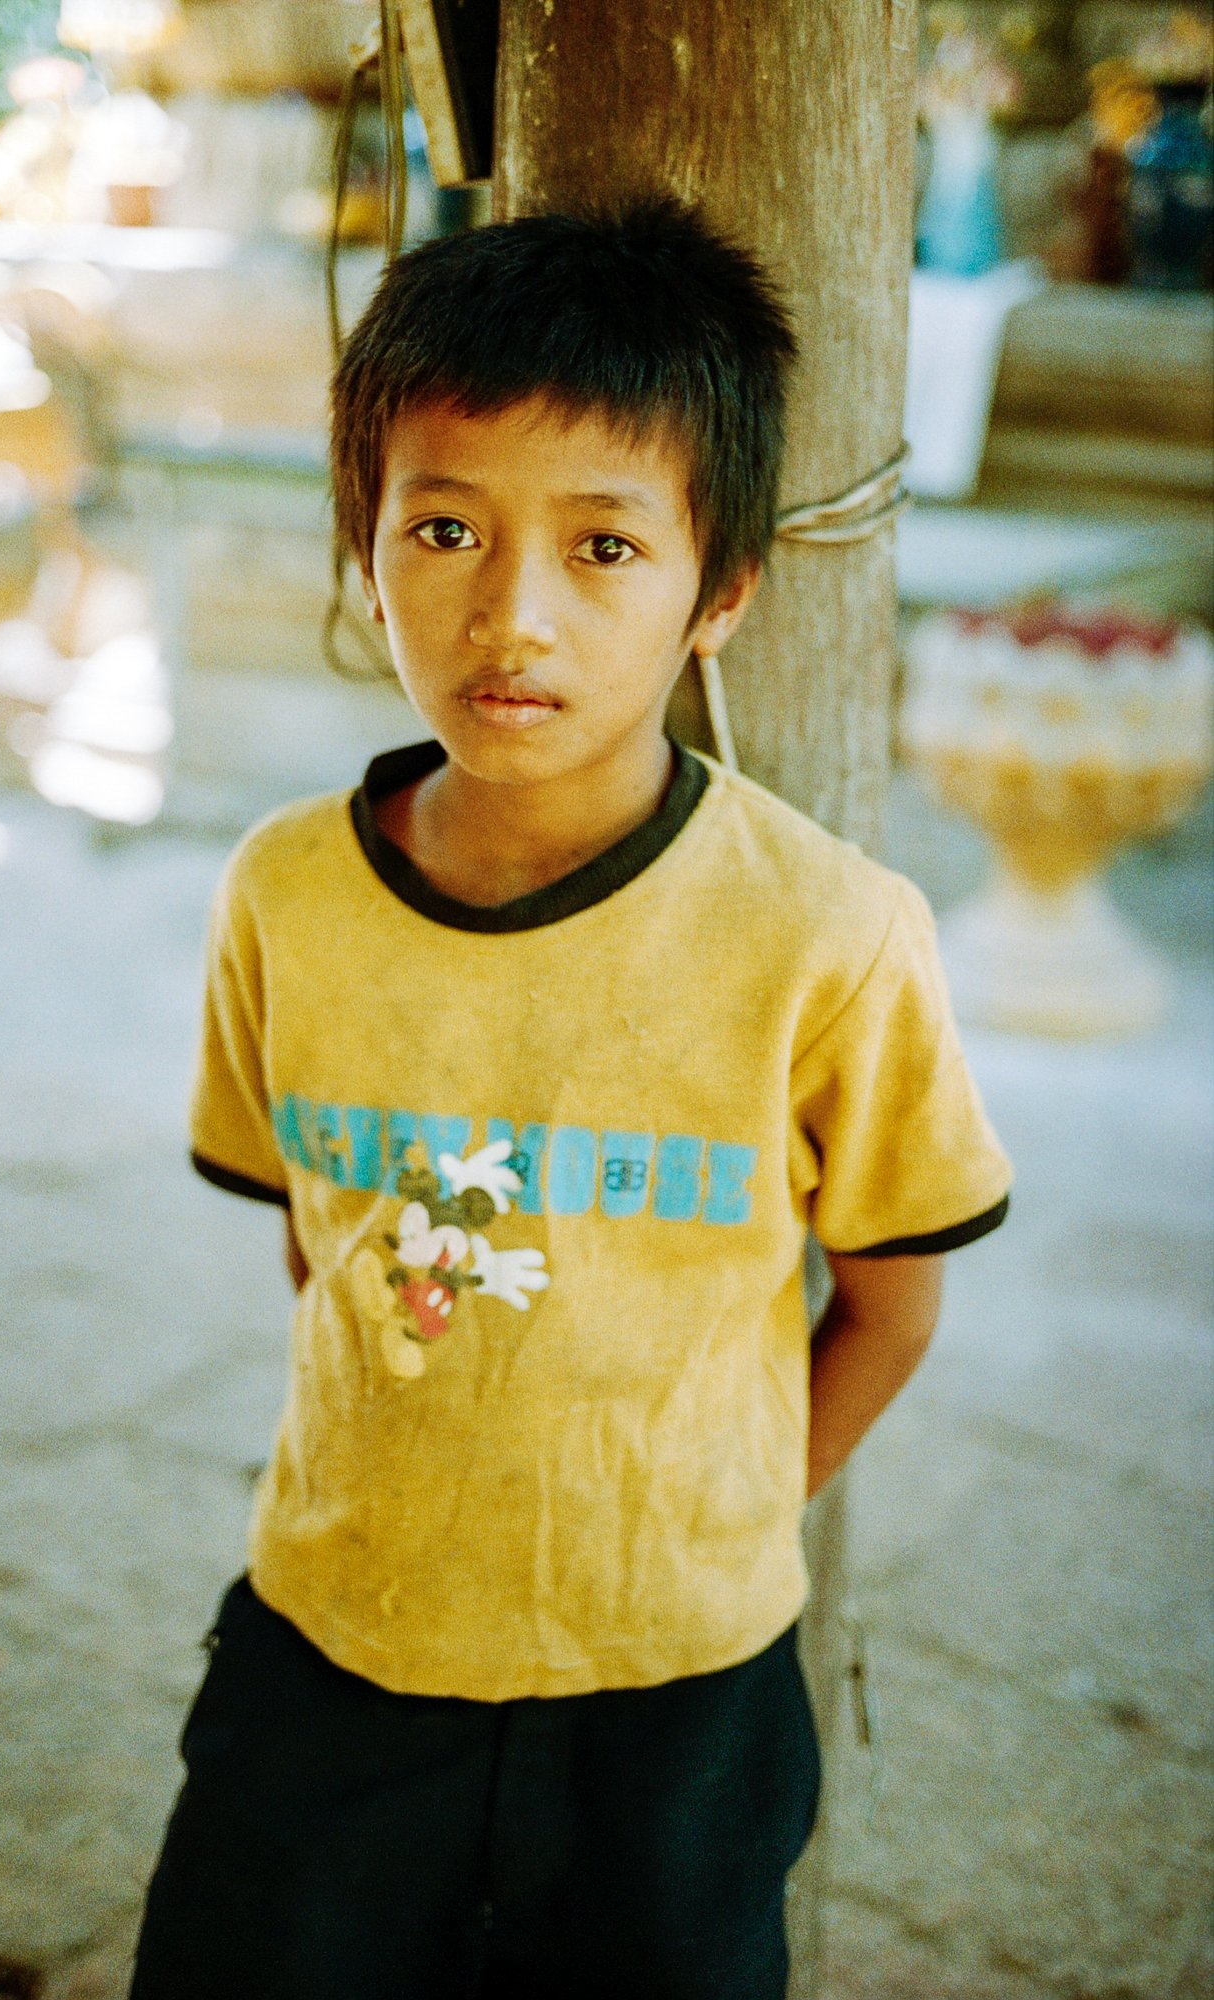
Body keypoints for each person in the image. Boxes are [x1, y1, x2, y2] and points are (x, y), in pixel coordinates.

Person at [129, 200, 1012, 2000]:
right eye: (441, 526)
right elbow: (328, 1247)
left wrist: (710, 1520)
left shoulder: (831, 940)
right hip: (332, 1647)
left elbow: (893, 1308)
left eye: (603, 545)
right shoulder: (284, 896)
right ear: (362, 552)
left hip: (675, 1690)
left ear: (723, 588)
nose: (508, 613)